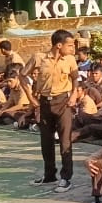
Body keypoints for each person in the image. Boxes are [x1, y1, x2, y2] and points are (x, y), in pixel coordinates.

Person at [20, 29, 81, 192]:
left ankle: (66, 177)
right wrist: (31, 99)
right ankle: (49, 175)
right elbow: (22, 75)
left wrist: (74, 94)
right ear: (58, 45)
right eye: (69, 45)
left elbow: (75, 78)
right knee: (46, 141)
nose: (72, 48)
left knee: (65, 141)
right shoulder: (39, 58)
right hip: (44, 103)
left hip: (63, 102)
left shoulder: (70, 60)